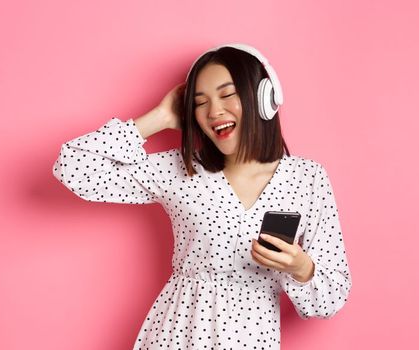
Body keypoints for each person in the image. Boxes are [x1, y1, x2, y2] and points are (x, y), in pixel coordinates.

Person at [52, 43, 351, 349]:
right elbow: (73, 167)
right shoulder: (180, 169)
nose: (213, 112)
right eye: (199, 102)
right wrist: (160, 118)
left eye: (226, 94)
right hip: (175, 335)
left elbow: (331, 298)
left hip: (253, 339)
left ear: (264, 98)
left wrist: (300, 267)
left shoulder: (307, 178)